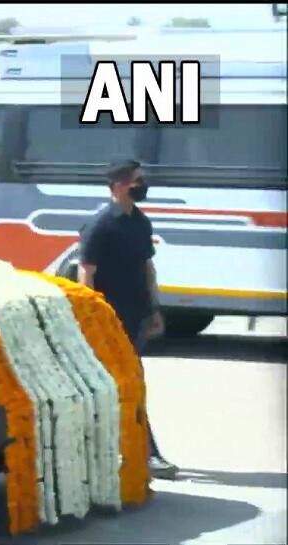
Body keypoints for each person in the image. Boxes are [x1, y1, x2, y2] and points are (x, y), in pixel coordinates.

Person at [78, 159, 179, 480]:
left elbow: (147, 269)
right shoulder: (100, 225)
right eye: (138, 180)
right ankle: (145, 453)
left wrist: (155, 309)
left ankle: (136, 451)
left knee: (128, 383)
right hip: (110, 319)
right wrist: (91, 319)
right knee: (126, 382)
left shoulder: (139, 221)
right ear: (121, 185)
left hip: (136, 317)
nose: (143, 184)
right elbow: (86, 274)